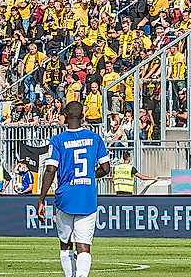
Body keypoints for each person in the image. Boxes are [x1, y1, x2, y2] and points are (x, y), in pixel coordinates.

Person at [37, 101, 111, 277]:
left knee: (66, 245)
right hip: (87, 196)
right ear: (83, 116)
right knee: (84, 246)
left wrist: (41, 200)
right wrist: (90, 176)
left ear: (64, 116)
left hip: (66, 197)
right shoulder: (95, 138)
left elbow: (50, 170)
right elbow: (106, 168)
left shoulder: (58, 140)